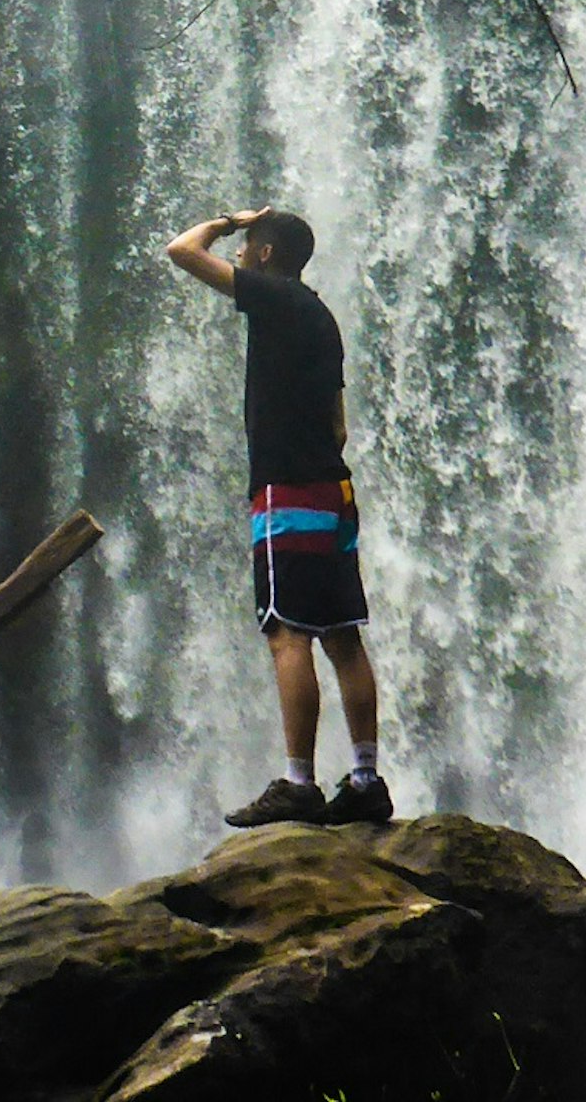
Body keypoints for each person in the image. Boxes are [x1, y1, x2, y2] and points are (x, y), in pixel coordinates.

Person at [164, 205, 390, 829]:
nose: (238, 256)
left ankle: (299, 783)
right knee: (342, 635)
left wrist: (230, 220)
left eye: (246, 248)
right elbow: (340, 426)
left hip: (287, 491)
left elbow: (182, 250)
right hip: (332, 493)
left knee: (287, 632)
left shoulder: (274, 297)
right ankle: (367, 779)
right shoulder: (322, 316)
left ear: (264, 255)